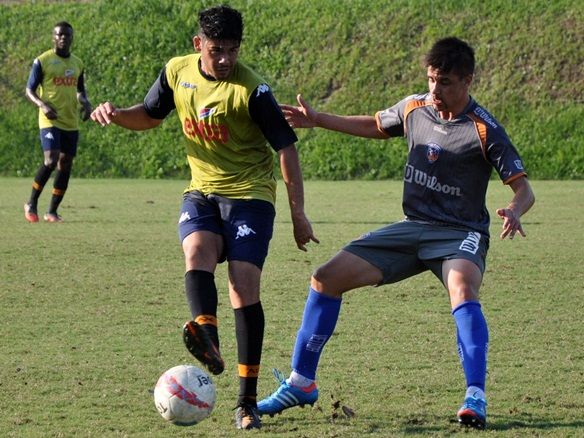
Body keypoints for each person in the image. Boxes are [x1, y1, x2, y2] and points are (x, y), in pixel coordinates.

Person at [257, 37, 535, 430]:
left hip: (459, 233)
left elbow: (524, 188)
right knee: (325, 278)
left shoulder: (485, 129)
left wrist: (516, 210)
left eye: (446, 83)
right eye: (431, 79)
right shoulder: (414, 107)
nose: (435, 90)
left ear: (468, 80)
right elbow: (375, 125)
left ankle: (475, 395)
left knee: (462, 287)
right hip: (412, 228)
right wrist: (319, 119)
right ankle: (301, 383)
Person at [90, 5, 317, 430]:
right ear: (199, 45)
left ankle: (246, 402)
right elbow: (150, 114)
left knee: (242, 283)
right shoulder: (177, 72)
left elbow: (286, 147)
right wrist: (118, 115)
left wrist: (298, 214)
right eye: (217, 50)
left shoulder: (253, 90)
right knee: (196, 253)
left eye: (233, 50)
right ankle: (208, 338)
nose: (227, 59)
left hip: (250, 196)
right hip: (201, 193)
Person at [24, 21, 92, 223]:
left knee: (65, 164)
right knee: (51, 160)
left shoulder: (77, 63)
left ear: (71, 38)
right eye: (59, 34)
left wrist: (86, 104)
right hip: (49, 119)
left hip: (70, 121)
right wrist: (42, 105)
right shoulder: (42, 61)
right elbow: (29, 90)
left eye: (67, 35)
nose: (63, 38)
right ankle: (31, 203)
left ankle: (52, 211)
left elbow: (80, 91)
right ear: (53, 37)